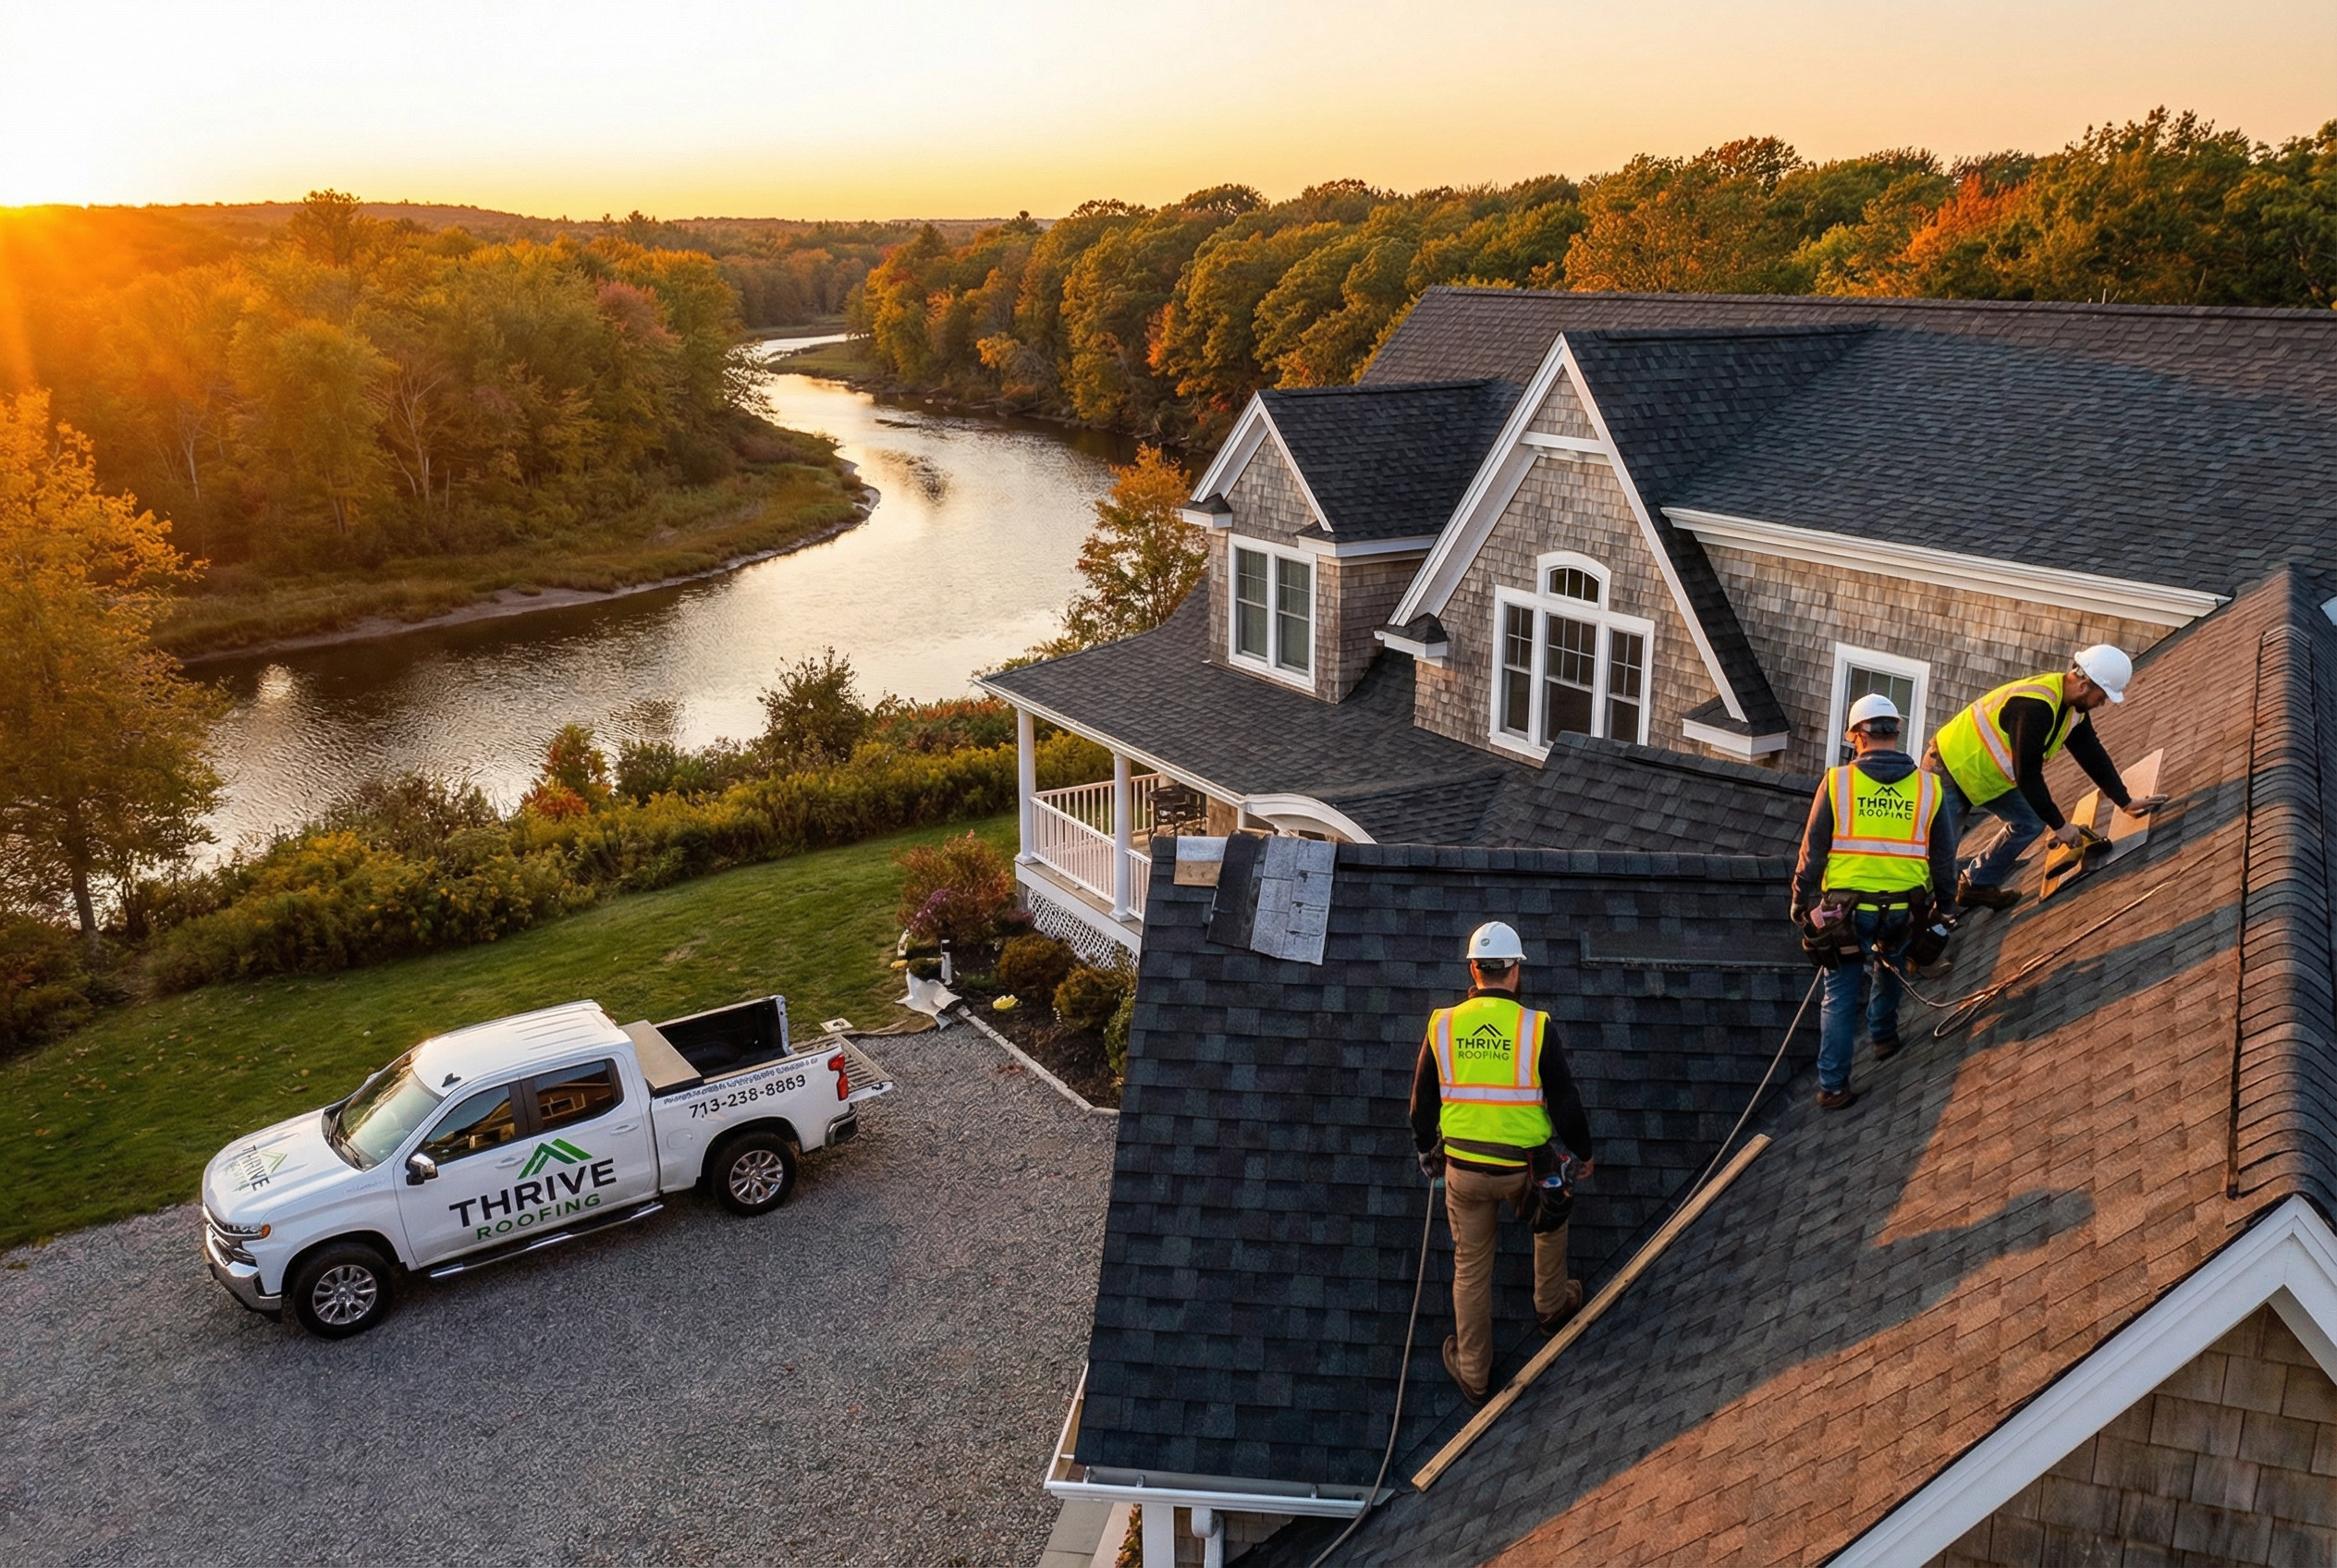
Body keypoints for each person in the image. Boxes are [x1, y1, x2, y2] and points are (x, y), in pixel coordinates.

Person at [1409, 921, 1597, 1405]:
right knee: (1550, 1221)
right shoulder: (1536, 1027)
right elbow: (1566, 1103)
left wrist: (1427, 1147)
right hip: (1527, 1169)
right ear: (1514, 972)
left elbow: (1421, 1107)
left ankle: (1474, 1373)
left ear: (1475, 969)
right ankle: (1552, 1306)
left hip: (1465, 1171)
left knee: (1470, 1268)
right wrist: (1584, 1153)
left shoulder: (1442, 1024)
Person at [1791, 693, 1958, 1111]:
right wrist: (1948, 904)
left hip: (1847, 912)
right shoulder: (1928, 786)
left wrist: (1799, 900)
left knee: (1840, 995)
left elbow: (1813, 851)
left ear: (1856, 737)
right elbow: (1943, 856)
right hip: (1906, 907)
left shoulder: (1838, 782)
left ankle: (1833, 1086)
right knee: (1892, 965)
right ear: (1895, 732)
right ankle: (1884, 1037)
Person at [1925, 645, 2168, 911]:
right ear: (2084, 684)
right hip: (1948, 769)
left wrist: (2124, 800)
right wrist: (2060, 825)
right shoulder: (2035, 706)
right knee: (1939, 856)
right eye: (2103, 695)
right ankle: (1926, 931)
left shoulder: (2071, 710)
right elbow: (2028, 775)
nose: (2102, 703)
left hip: (1982, 776)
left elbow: (2091, 754)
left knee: (2030, 822)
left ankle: (1976, 885)